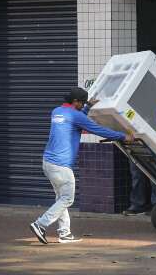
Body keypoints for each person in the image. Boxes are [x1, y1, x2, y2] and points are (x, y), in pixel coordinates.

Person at [30, 87, 133, 244]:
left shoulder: (57, 111)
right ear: (76, 102)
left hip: (48, 162)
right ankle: (40, 224)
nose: (83, 104)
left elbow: (75, 118)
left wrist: (87, 107)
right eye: (82, 102)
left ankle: (64, 234)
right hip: (61, 165)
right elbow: (98, 130)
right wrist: (123, 136)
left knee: (61, 198)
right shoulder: (76, 115)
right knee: (67, 199)